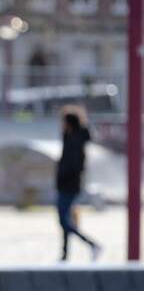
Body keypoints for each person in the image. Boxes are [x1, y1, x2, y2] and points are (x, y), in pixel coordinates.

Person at [56, 105, 100, 261]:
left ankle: (92, 245)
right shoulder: (71, 138)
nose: (61, 125)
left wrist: (62, 177)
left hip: (69, 185)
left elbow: (72, 166)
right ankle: (65, 254)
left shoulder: (74, 142)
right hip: (68, 184)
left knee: (63, 219)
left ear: (69, 123)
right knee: (66, 219)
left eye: (63, 122)